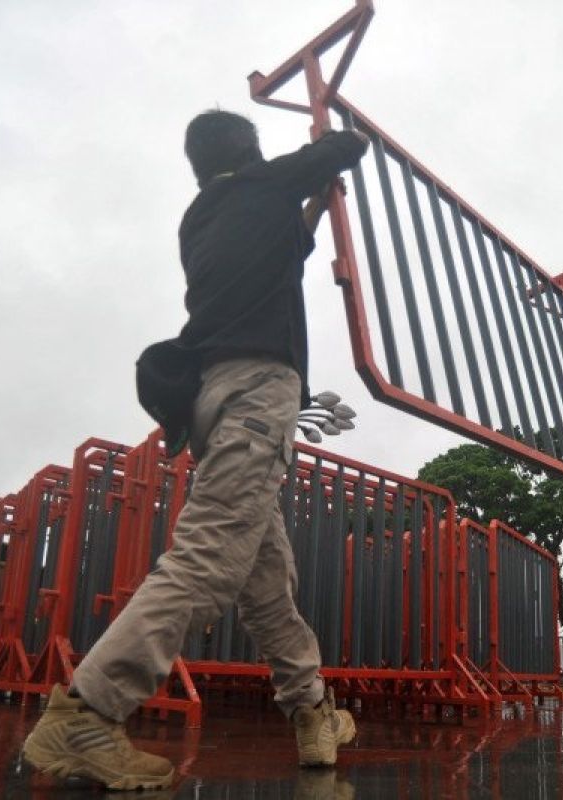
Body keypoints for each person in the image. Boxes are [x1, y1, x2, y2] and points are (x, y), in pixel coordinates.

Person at [21, 110, 370, 790]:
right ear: (251, 150)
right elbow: (344, 147)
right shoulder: (263, 184)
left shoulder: (202, 218)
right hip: (258, 393)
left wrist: (315, 207)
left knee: (269, 587)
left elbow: (286, 248)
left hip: (213, 399)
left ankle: (312, 714)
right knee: (208, 557)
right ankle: (89, 710)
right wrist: (331, 152)